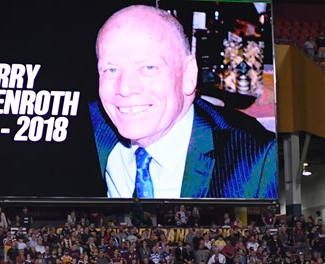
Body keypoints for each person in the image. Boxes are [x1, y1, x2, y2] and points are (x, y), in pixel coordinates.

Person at [90, 4, 277, 199]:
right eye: (111, 70)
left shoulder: (259, 162)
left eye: (148, 67)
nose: (125, 88)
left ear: (188, 75)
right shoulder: (86, 126)